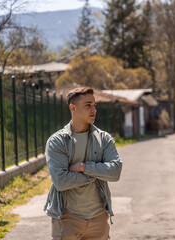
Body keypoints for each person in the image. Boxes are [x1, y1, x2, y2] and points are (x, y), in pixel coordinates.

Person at [44, 87, 122, 240]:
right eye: (88, 105)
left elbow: (115, 171)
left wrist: (83, 167)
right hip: (67, 219)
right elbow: (60, 181)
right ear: (73, 108)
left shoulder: (104, 138)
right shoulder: (57, 141)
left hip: (99, 218)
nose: (94, 109)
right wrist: (96, 175)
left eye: (94, 105)